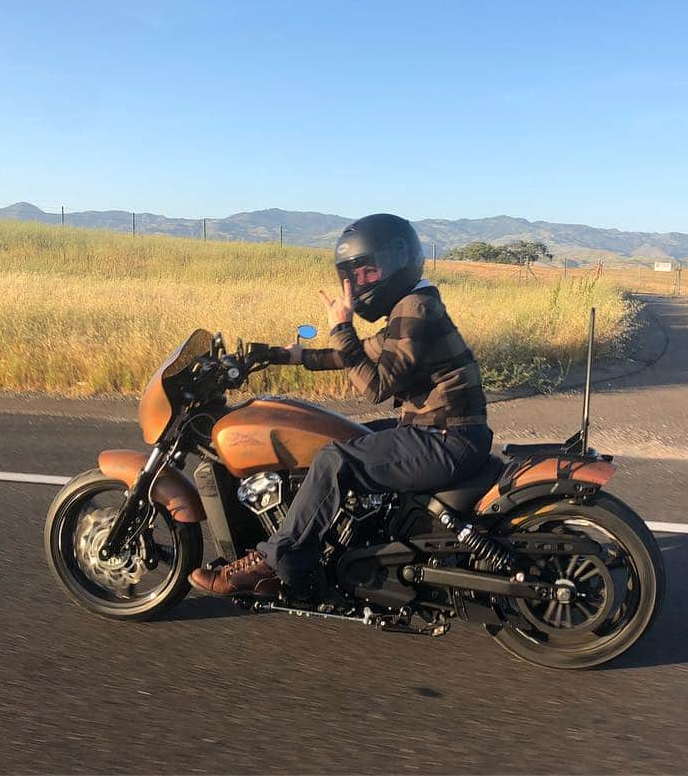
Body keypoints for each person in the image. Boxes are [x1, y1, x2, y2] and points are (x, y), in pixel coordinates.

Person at [188, 213, 492, 597]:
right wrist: (285, 356)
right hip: (443, 433)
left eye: (367, 273)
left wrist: (341, 325)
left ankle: (274, 563)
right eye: (352, 276)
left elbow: (376, 385)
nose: (357, 284)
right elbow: (358, 355)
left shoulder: (415, 309)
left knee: (336, 458)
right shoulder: (414, 306)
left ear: (398, 259)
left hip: (447, 439)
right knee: (343, 438)